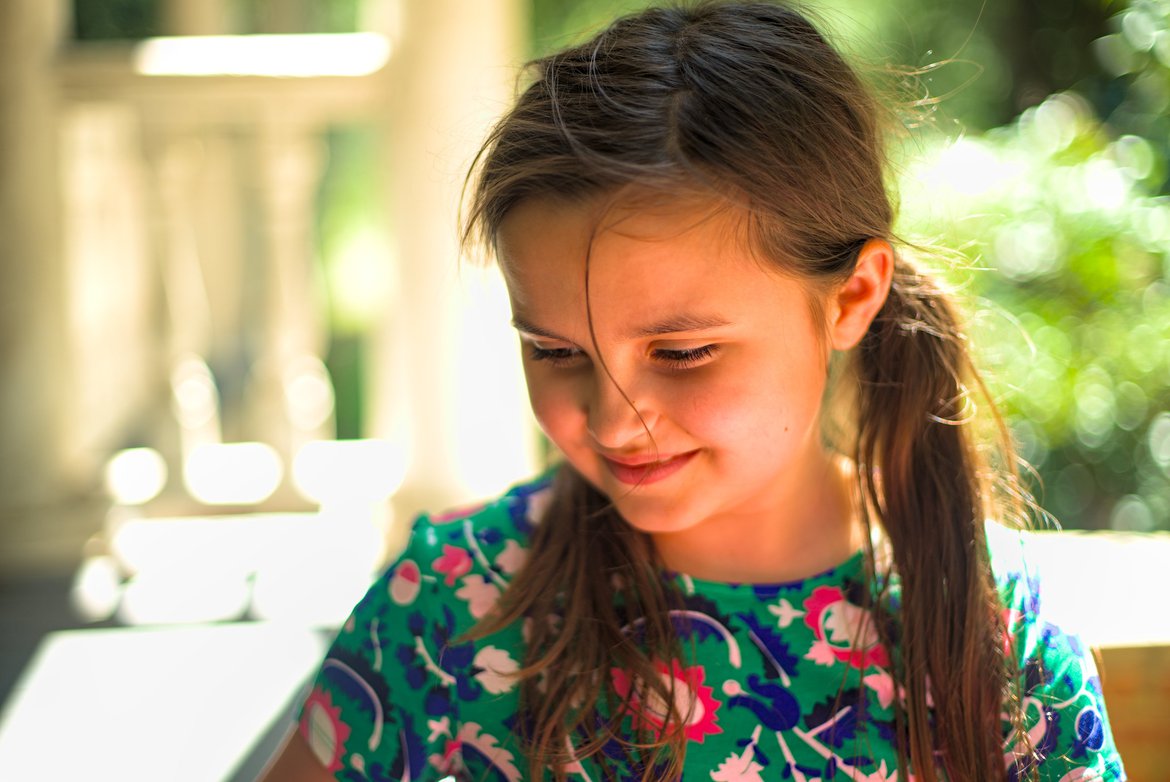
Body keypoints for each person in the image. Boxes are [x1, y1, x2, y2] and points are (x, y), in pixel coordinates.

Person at [261, 2, 1126, 780]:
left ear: (851, 297)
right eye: (555, 350)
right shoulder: (455, 599)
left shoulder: (998, 633)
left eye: (682, 353)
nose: (613, 420)